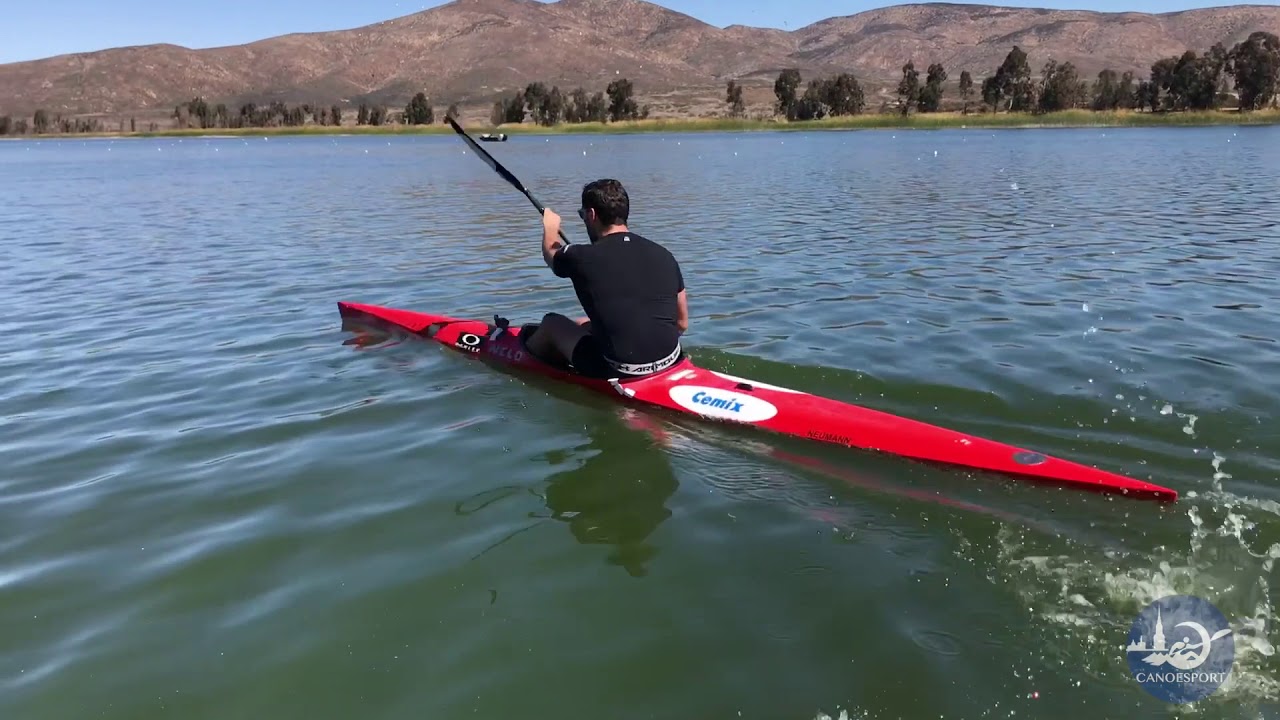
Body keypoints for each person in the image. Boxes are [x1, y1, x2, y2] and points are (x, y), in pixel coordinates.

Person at [523, 178, 688, 379]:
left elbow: (551, 252)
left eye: (582, 214)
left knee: (552, 323)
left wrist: (550, 225)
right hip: (672, 359)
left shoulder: (581, 256)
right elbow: (682, 323)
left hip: (621, 370)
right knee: (583, 323)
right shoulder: (664, 255)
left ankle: (523, 358)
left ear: (591, 214)